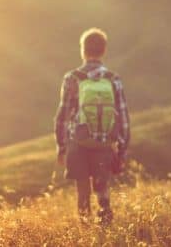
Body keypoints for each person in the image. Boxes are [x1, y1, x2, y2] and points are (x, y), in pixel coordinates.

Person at [54, 28, 130, 225]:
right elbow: (122, 115)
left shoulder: (72, 77)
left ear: (83, 50)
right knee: (102, 188)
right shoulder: (113, 78)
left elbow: (63, 115)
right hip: (104, 142)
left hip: (77, 142)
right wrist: (122, 147)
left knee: (83, 190)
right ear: (103, 50)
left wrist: (61, 146)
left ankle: (86, 232)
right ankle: (106, 225)